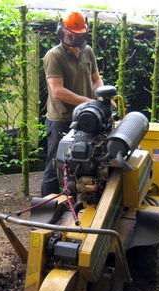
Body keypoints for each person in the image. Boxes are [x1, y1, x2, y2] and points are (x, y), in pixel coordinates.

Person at [41, 11, 104, 197]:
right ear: (62, 30)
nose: (71, 37)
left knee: (84, 162)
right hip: (61, 118)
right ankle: (46, 209)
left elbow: (96, 79)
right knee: (55, 164)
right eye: (69, 33)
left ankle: (78, 203)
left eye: (75, 34)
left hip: (86, 118)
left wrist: (101, 97)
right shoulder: (54, 56)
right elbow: (57, 91)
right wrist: (89, 102)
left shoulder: (88, 51)